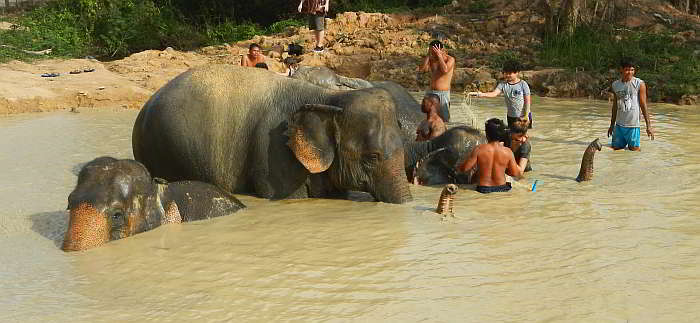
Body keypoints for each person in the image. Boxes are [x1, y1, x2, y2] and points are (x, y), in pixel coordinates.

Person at [457, 118, 522, 193]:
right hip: (502, 188)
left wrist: (458, 167)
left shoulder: (479, 149)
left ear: (486, 134)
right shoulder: (507, 152)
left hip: (483, 189)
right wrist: (502, 168)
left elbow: (465, 168)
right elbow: (515, 173)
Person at [607, 57, 654, 151]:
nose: (630, 72)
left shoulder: (639, 84)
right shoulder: (615, 85)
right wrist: (612, 125)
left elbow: (643, 105)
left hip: (633, 126)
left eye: (632, 70)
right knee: (615, 150)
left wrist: (648, 126)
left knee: (634, 152)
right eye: (627, 70)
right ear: (621, 69)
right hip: (619, 125)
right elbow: (615, 105)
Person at [469, 60, 532, 129]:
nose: (507, 75)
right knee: (512, 136)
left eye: (510, 73)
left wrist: (526, 116)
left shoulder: (523, 84)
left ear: (517, 73)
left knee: (523, 136)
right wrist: (481, 94)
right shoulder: (503, 84)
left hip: (523, 116)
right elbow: (494, 94)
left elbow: (527, 101)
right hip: (511, 116)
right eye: (505, 73)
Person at [417, 40, 455, 122]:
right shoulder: (431, 59)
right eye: (430, 51)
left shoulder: (450, 59)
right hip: (430, 92)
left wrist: (439, 56)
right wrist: (428, 56)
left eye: (434, 52)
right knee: (425, 116)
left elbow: (445, 70)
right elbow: (422, 70)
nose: (432, 54)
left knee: (444, 119)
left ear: (441, 50)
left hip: (443, 94)